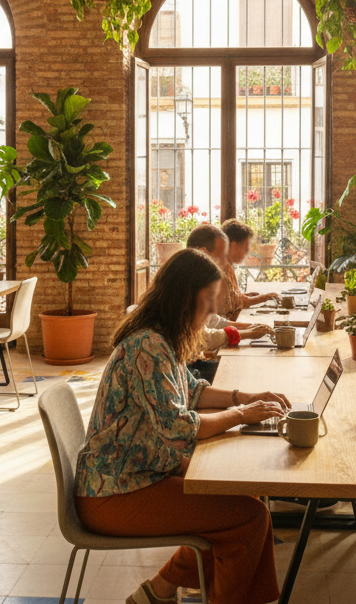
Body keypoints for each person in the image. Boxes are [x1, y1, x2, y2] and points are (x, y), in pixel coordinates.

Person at [75, 248, 289, 604]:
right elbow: (178, 428)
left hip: (137, 473)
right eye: (208, 300)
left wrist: (244, 396)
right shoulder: (148, 345)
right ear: (184, 297)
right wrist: (241, 415)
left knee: (237, 498)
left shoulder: (161, 337)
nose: (213, 311)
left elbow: (192, 390)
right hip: (113, 492)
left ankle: (158, 591)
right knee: (248, 519)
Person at [185, 224, 273, 381]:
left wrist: (251, 328)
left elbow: (213, 320)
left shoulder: (195, 280)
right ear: (203, 253)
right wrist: (248, 333)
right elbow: (204, 338)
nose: (224, 262)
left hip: (191, 367)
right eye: (220, 256)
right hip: (191, 368)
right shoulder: (185, 285)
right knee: (247, 372)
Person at [218, 219, 278, 319]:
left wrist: (246, 295)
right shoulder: (221, 268)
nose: (247, 252)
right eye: (245, 247)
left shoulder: (226, 264)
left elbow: (229, 298)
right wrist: (267, 297)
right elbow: (238, 302)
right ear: (233, 245)